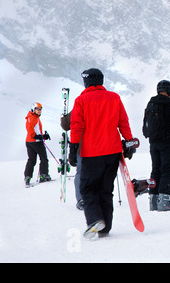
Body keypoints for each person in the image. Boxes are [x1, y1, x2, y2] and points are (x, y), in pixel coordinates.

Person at [69, 68, 134, 238]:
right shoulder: (114, 98)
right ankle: (105, 228)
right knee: (106, 189)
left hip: (91, 153)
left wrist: (73, 148)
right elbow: (123, 122)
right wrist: (129, 143)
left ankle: (95, 220)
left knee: (88, 188)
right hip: (113, 152)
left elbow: (76, 126)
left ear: (86, 82)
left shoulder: (81, 100)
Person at [143, 80, 170, 211]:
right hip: (167, 142)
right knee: (166, 170)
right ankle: (164, 200)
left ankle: (153, 200)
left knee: (155, 169)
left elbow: (145, 126)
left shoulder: (150, 103)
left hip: (153, 143)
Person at [61, 111, 84, 210]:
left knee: (81, 172)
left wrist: (64, 118)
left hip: (82, 147)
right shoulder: (103, 103)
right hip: (100, 146)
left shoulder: (80, 105)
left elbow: (66, 125)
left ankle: (81, 199)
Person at [24, 102, 51, 187]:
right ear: (33, 109)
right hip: (35, 142)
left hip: (29, 141)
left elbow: (36, 131)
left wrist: (43, 136)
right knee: (44, 158)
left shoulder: (33, 117)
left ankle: (27, 177)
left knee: (31, 159)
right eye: (37, 109)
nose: (39, 111)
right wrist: (36, 136)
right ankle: (43, 175)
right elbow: (29, 128)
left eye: (40, 109)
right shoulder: (32, 118)